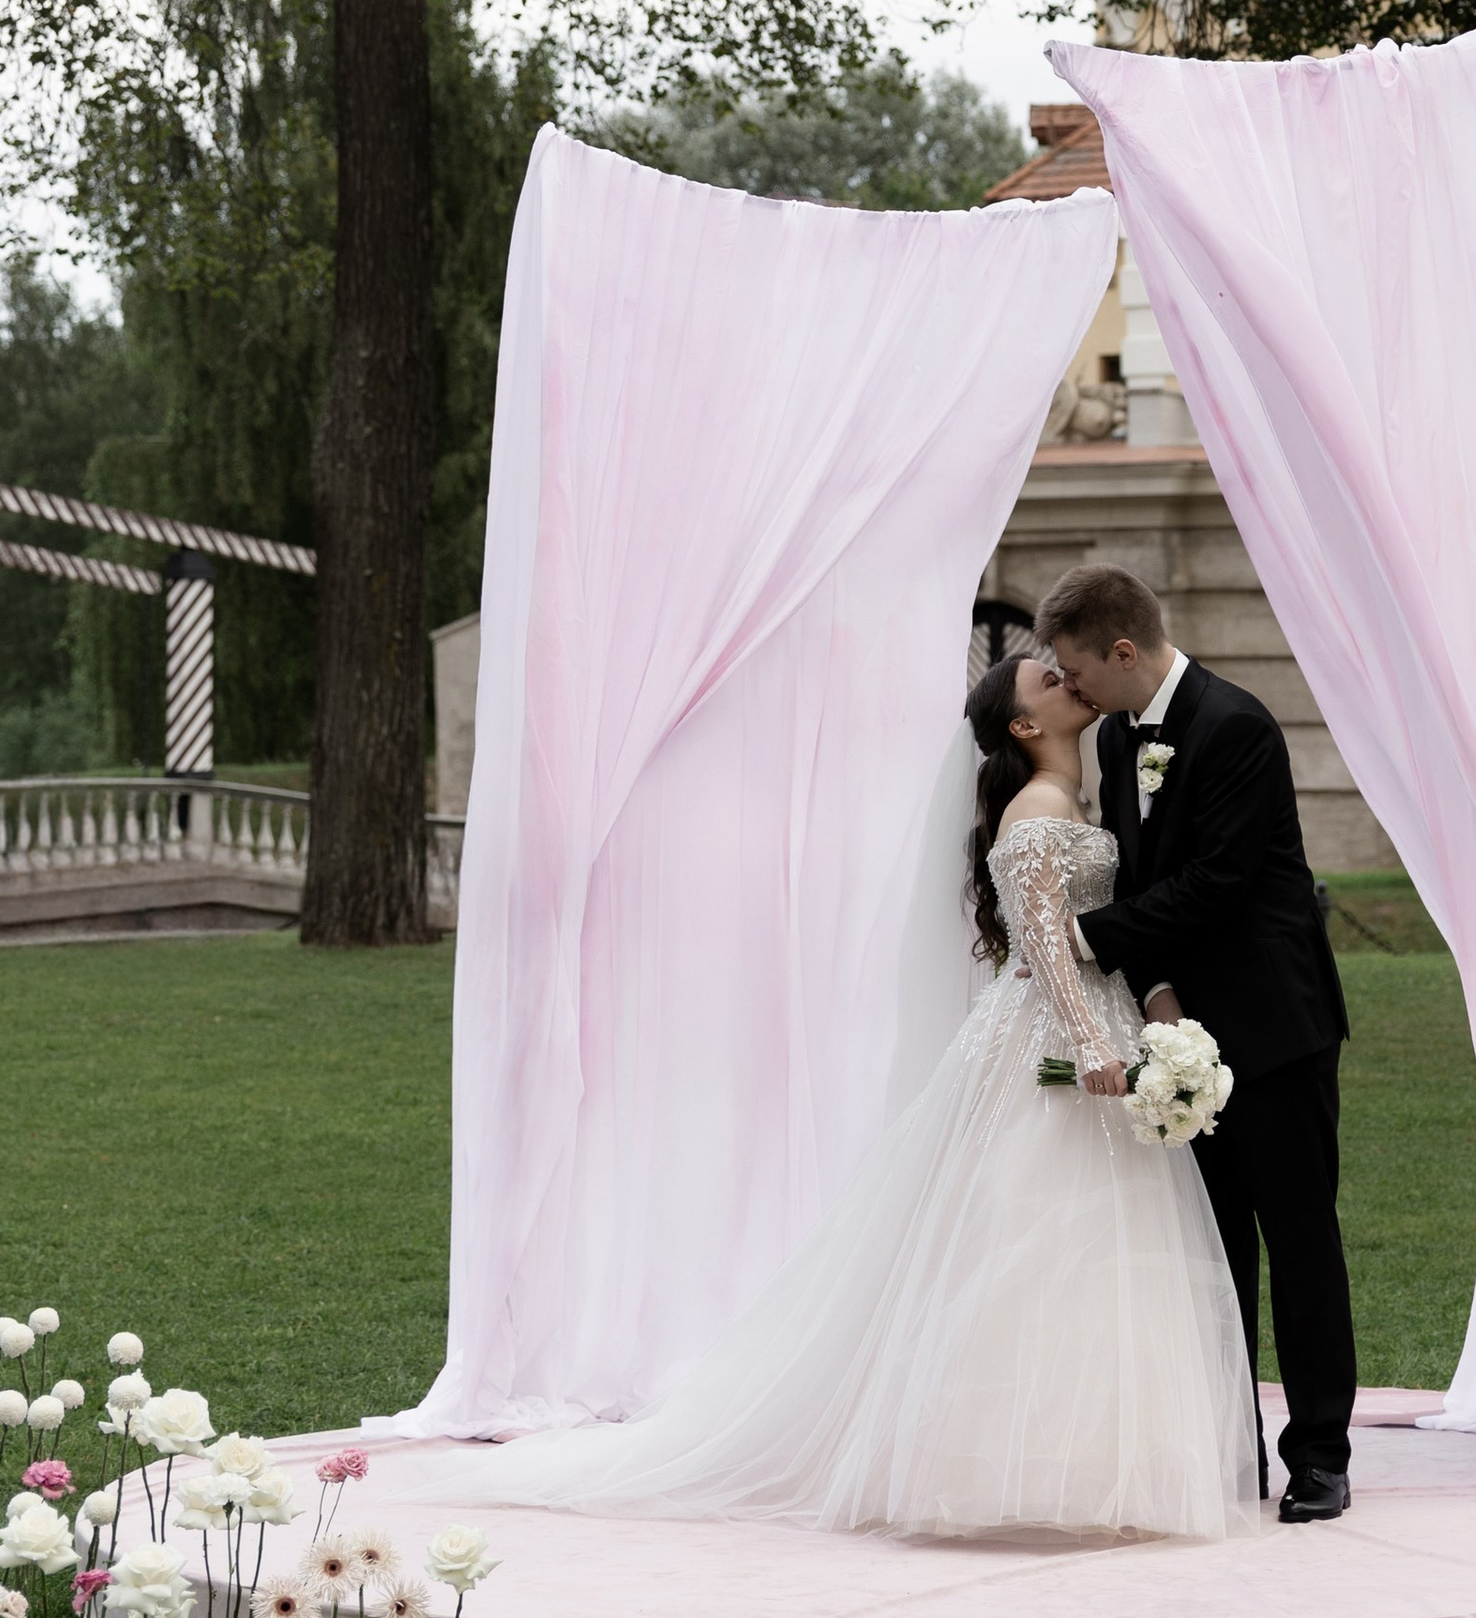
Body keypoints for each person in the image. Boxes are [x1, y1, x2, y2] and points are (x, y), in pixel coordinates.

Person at [398, 649, 1259, 1542]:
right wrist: (1088, 1042)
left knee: (1088, 1246)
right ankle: (995, 1460)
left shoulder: (1085, 790)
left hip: (1098, 1019)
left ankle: (1082, 1460)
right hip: (1053, 1033)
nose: (1067, 679)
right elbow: (1042, 941)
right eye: (1047, 679)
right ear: (1023, 725)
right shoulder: (1039, 808)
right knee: (1031, 1231)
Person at [1037, 563, 1359, 1523]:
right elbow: (1138, 876)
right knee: (1210, 1255)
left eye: (1078, 669)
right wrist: (1158, 993)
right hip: (1180, 1034)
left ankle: (1320, 1457)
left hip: (1275, 1026)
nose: (1073, 690)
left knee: (1299, 1241)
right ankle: (1228, 1448)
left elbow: (1218, 883)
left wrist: (1086, 942)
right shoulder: (1116, 736)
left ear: (1122, 650)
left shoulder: (1238, 726)